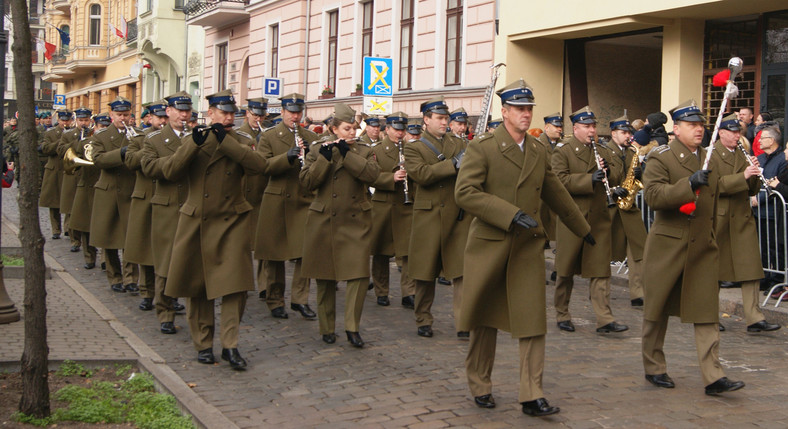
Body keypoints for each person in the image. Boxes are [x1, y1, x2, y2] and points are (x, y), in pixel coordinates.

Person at [455, 79, 592, 416]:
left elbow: (555, 191)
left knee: (532, 320)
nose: (526, 114)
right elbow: (466, 192)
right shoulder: (483, 146)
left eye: (529, 108)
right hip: (491, 244)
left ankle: (532, 394)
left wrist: (582, 228)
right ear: (504, 112)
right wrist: (510, 214)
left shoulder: (537, 149)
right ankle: (480, 383)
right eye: (519, 109)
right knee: (485, 318)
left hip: (527, 248)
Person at [158, 89, 267, 369]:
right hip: (198, 219)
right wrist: (193, 144)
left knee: (235, 287)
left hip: (232, 219)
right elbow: (171, 172)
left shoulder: (242, 139)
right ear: (210, 114)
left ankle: (231, 345)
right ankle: (203, 343)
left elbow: (258, 166)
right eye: (224, 112)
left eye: (232, 112)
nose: (230, 117)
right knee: (198, 286)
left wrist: (225, 142)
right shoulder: (194, 139)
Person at [641, 99, 745, 395]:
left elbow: (721, 188)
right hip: (668, 245)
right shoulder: (662, 157)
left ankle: (713, 376)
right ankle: (654, 366)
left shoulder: (711, 157)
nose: (699, 130)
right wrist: (689, 183)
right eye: (692, 125)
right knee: (656, 309)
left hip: (701, 244)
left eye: (701, 125)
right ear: (677, 129)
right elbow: (654, 196)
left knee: (706, 311)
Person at [299, 103, 381, 347]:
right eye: (346, 129)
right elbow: (306, 182)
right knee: (325, 276)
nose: (351, 133)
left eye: (354, 128)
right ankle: (326, 327)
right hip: (324, 220)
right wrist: (324, 160)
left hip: (355, 220)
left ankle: (352, 327)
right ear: (334, 129)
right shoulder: (317, 148)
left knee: (357, 275)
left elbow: (372, 174)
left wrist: (347, 155)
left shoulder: (364, 150)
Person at [551, 106, 629, 333]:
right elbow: (558, 182)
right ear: (575, 128)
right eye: (587, 127)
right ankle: (562, 313)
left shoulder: (601, 150)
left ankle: (604, 319)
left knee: (600, 270)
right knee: (565, 271)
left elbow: (614, 177)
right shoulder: (563, 150)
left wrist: (609, 177)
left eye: (593, 126)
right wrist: (587, 179)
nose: (591, 131)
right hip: (573, 218)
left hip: (598, 217)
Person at [404, 96, 471, 339]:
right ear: (426, 120)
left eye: (446, 118)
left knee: (461, 272)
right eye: (440, 118)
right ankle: (423, 318)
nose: (445, 123)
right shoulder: (414, 146)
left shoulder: (460, 144)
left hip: (457, 214)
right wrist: (453, 165)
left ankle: (464, 322)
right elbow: (421, 174)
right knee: (425, 272)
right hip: (429, 215)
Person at [711, 113, 780, 332]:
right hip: (720, 218)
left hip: (742, 218)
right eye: (732, 132)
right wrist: (742, 176)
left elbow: (751, 190)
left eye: (738, 132)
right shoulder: (710, 155)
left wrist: (753, 175)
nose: (737, 136)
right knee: (715, 270)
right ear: (721, 133)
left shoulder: (744, 154)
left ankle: (755, 318)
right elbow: (715, 185)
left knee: (751, 269)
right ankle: (711, 315)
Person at [255, 93, 318, 320]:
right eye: (291, 112)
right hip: (278, 200)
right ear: (282, 112)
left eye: (298, 112)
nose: (295, 116)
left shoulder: (309, 135)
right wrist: (287, 157)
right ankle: (275, 300)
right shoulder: (270, 136)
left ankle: (300, 300)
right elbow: (263, 166)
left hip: (303, 200)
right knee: (275, 254)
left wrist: (312, 154)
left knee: (304, 253)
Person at [140, 91, 195, 336]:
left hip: (192, 206)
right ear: (168, 111)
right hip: (168, 206)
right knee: (165, 264)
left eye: (187, 111)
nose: (184, 115)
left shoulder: (197, 136)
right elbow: (151, 168)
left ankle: (193, 312)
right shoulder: (153, 140)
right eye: (179, 110)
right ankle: (165, 312)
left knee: (191, 262)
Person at [89, 97, 140, 295]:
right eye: (119, 115)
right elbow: (98, 159)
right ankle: (115, 277)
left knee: (131, 238)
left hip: (130, 190)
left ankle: (131, 278)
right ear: (111, 116)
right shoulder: (101, 136)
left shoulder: (136, 135)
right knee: (108, 237)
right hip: (108, 192)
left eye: (126, 115)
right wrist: (121, 153)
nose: (123, 119)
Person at [124, 100, 168, 322]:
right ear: (149, 118)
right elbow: (130, 161)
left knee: (166, 251)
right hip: (145, 199)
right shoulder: (140, 138)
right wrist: (150, 147)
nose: (162, 121)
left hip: (167, 201)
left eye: (164, 117)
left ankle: (168, 296)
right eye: (158, 117)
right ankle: (146, 292)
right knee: (145, 249)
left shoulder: (176, 138)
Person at [368, 112, 416, 308]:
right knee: (381, 251)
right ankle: (381, 291)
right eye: (396, 129)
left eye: (402, 130)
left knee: (407, 252)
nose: (399, 133)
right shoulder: (377, 150)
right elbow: (370, 176)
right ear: (386, 129)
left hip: (405, 206)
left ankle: (409, 292)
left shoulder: (411, 149)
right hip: (383, 205)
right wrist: (391, 177)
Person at [606, 114, 647, 306]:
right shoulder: (604, 151)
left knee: (638, 250)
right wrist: (614, 189)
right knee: (605, 252)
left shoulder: (632, 153)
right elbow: (600, 179)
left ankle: (638, 293)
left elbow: (639, 183)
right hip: (611, 208)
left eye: (629, 132)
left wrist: (640, 176)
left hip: (629, 208)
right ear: (614, 134)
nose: (628, 136)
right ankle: (600, 291)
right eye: (624, 132)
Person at [755, 126, 786, 290]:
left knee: (775, 248)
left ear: (772, 140)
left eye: (762, 138)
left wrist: (758, 199)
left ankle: (777, 280)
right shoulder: (759, 159)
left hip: (774, 211)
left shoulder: (782, 159)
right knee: (762, 247)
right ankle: (764, 277)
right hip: (758, 213)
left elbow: (775, 185)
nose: (759, 141)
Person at [57, 108, 92, 253]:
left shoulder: (94, 134)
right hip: (72, 175)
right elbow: (60, 151)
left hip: (87, 175)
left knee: (84, 208)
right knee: (71, 208)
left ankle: (86, 241)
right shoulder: (68, 134)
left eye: (86, 120)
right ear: (76, 120)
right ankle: (74, 240)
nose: (83, 123)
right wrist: (76, 141)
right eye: (81, 120)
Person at [39, 110, 72, 239]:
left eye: (67, 120)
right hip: (53, 171)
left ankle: (68, 227)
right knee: (53, 202)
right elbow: (46, 149)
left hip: (68, 169)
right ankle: (55, 229)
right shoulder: (51, 133)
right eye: (62, 120)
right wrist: (61, 142)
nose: (65, 123)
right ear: (58, 121)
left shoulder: (74, 133)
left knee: (69, 199)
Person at [537, 112, 563, 247]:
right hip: (542, 185)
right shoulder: (538, 143)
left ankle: (555, 240)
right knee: (542, 213)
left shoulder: (563, 144)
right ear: (546, 127)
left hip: (558, 184)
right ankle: (543, 238)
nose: (560, 129)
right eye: (556, 126)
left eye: (560, 126)